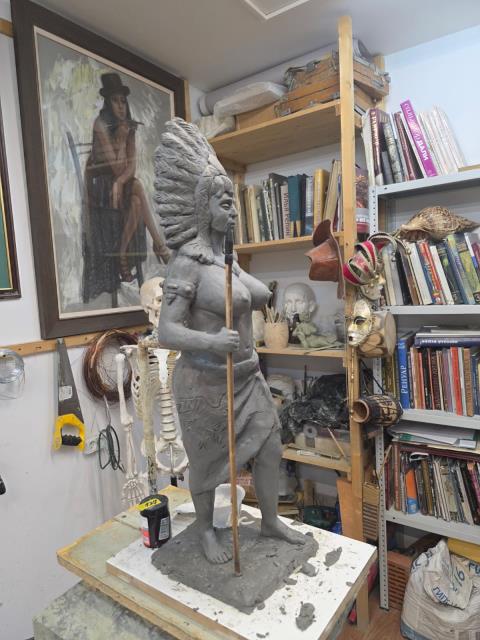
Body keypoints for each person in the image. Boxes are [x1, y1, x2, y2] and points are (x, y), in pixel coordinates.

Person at [155, 118, 305, 564]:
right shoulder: (187, 262)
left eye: (234, 202)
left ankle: (271, 521)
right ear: (203, 208)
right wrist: (209, 342)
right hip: (205, 383)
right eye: (224, 202)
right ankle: (205, 530)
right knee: (206, 465)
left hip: (246, 377)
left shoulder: (228, 260)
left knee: (270, 446)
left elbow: (255, 295)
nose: (233, 211)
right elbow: (166, 331)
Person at [82, 72, 169, 303]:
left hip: (118, 184)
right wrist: (120, 139)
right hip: (99, 186)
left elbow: (131, 167)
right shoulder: (100, 124)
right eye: (115, 101)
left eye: (123, 101)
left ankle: (123, 251)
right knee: (137, 188)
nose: (121, 106)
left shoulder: (128, 126)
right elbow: (114, 167)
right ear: (107, 102)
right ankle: (159, 245)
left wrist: (121, 182)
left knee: (137, 198)